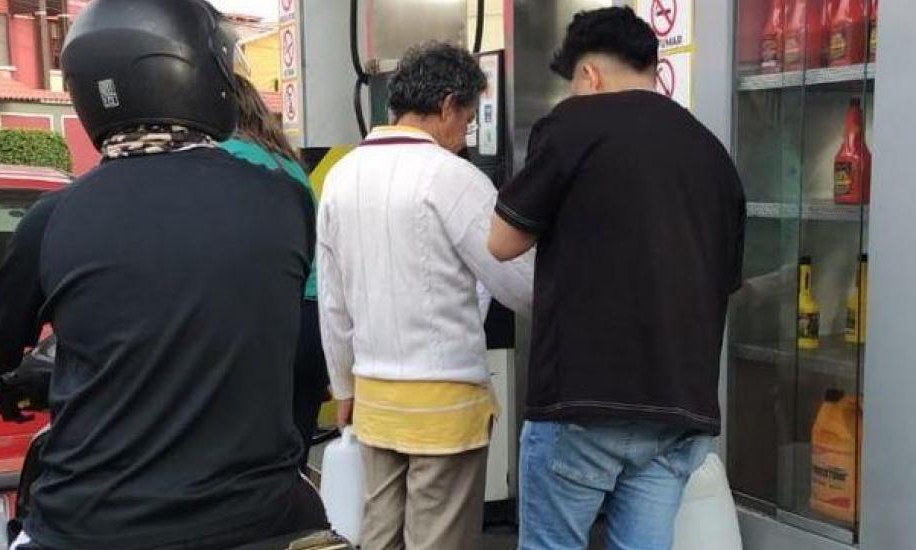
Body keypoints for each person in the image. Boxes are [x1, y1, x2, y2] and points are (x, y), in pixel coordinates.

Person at [0, 1, 335, 548]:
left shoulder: (56, 218)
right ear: (198, 72)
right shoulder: (283, 197)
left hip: (90, 526)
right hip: (263, 518)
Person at [487, 7, 746, 550]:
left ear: (589, 75)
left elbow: (503, 241)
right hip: (679, 411)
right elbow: (724, 280)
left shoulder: (574, 123)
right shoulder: (713, 154)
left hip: (583, 401)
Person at [318, 42, 534, 550]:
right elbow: (520, 283)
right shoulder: (455, 178)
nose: (467, 134)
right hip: (445, 408)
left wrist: (342, 387)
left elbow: (333, 301)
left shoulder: (341, 177)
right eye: (468, 117)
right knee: (437, 539)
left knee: (379, 535)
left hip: (373, 399)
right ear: (446, 106)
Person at [220, 45, 329, 469]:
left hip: (262, 320)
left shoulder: (217, 160)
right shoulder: (289, 166)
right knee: (293, 449)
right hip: (312, 321)